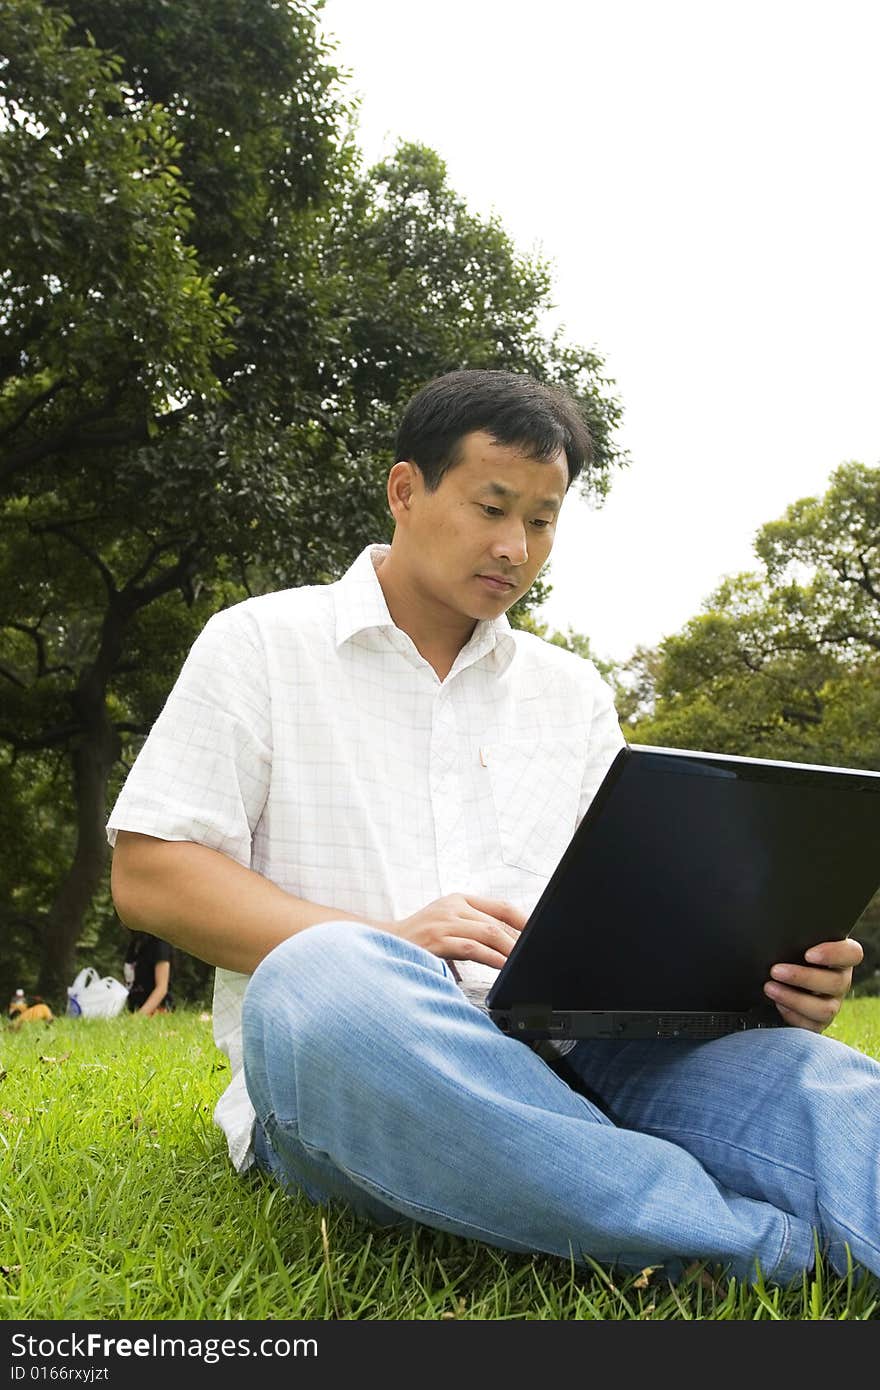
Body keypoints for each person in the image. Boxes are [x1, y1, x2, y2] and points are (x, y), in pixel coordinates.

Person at [107, 368, 879, 1288]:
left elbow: (633, 906)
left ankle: (585, 1175)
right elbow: (152, 874)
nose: (515, 546)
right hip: (380, 1060)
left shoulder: (573, 693)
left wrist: (765, 975)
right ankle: (753, 1249)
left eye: (543, 520)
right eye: (491, 506)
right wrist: (383, 940)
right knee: (325, 979)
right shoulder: (261, 644)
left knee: (816, 1082)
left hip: (591, 1052)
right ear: (405, 490)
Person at [122, 930, 174, 1015]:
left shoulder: (160, 944)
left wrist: (139, 1017)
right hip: (134, 1010)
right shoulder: (135, 943)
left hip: (158, 1011)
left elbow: (162, 988)